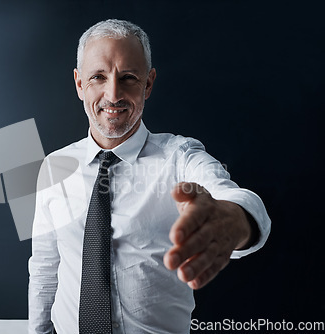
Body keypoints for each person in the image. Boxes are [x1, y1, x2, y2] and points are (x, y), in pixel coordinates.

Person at [28, 19, 270, 334]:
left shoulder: (180, 157)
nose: (113, 94)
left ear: (149, 84)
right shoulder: (54, 167)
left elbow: (233, 196)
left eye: (128, 77)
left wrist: (236, 220)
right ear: (78, 84)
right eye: (98, 77)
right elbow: (45, 270)